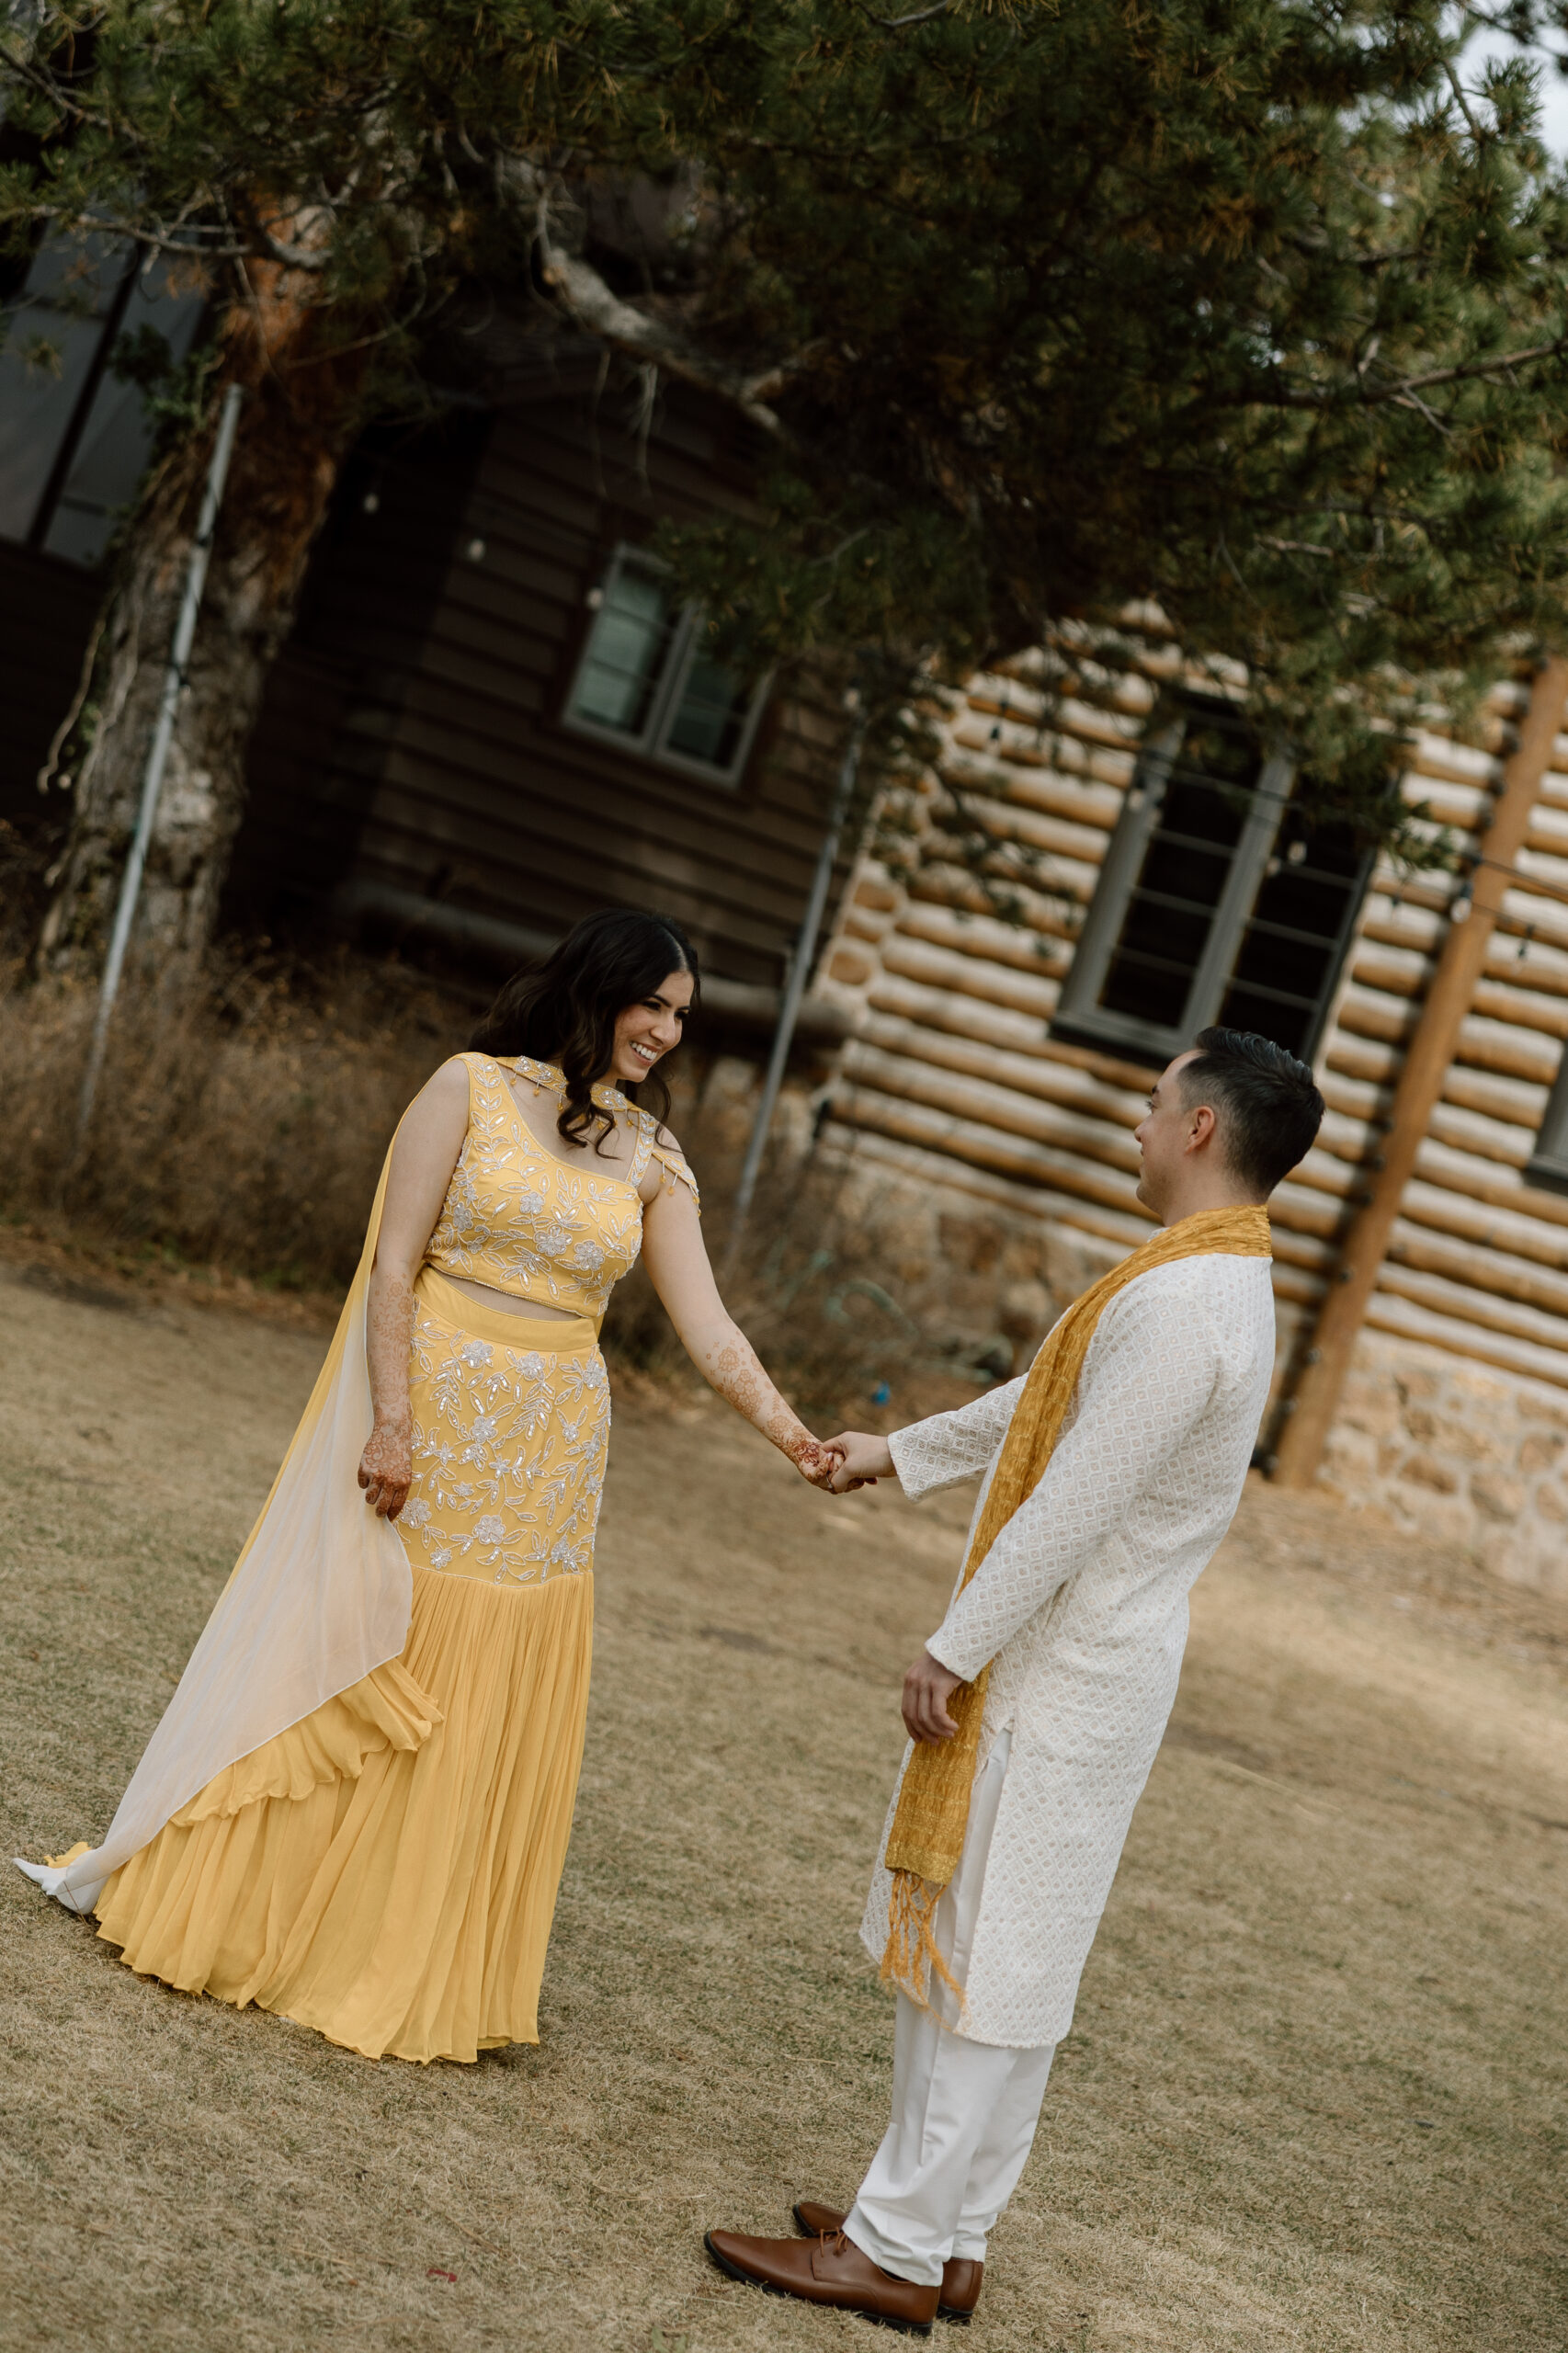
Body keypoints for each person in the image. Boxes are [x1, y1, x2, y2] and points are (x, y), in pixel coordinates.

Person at [17, 908, 841, 2064]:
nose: (663, 1030)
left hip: (551, 1447)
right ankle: (259, 1908)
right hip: (434, 1411)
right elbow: (393, 1259)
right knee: (364, 1645)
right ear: (597, 988)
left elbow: (708, 1330)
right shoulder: (467, 1088)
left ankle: (395, 1949)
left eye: (681, 1016)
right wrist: (392, 1418)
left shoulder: (653, 1159)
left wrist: (794, 1437)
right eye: (650, 1003)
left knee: (477, 1684)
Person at [705, 1027, 1324, 2334]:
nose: (1138, 1125)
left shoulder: (1180, 1301)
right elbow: (1042, 1403)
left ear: (1201, 1130)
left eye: (1154, 1105)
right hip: (1088, 1666)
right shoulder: (1201, 1281)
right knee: (1010, 1951)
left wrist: (954, 1644)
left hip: (1062, 1672)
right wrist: (897, 1453)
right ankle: (950, 2232)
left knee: (987, 1953)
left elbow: (1072, 1500)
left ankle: (894, 2247)